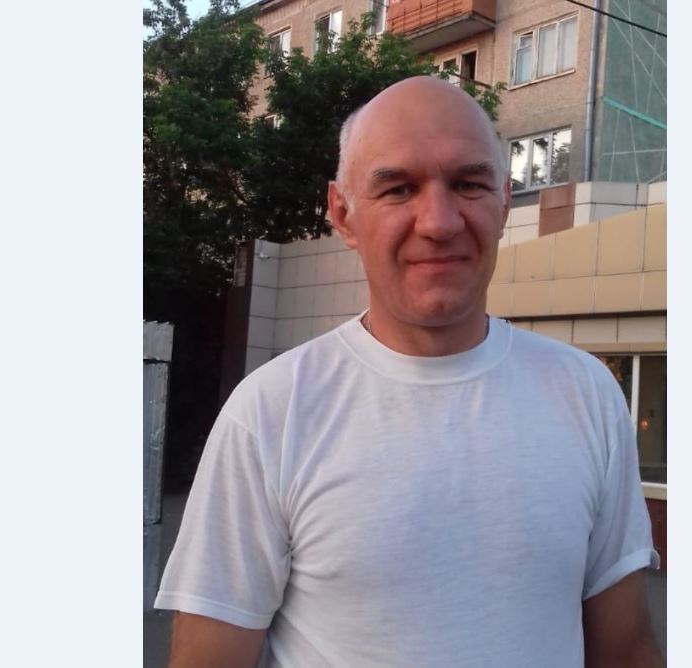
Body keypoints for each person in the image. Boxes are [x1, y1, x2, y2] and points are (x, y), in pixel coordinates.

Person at [155, 76, 662, 668]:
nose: (439, 223)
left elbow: (625, 650)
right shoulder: (271, 412)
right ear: (343, 214)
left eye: (468, 184)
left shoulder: (586, 394)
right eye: (398, 188)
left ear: (504, 201)